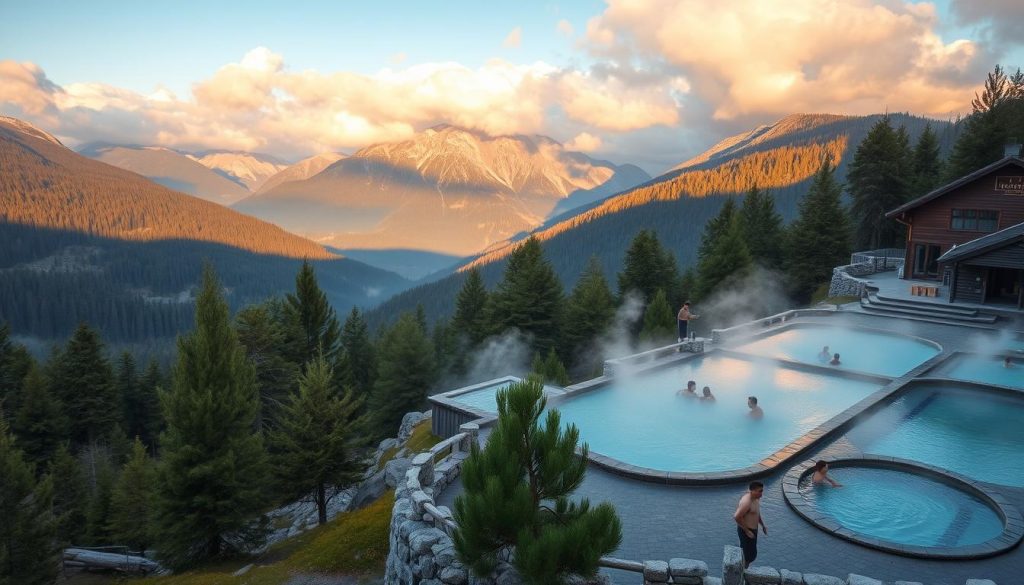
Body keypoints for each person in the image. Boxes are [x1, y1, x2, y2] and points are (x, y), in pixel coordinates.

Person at [734, 481, 767, 568]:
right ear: (752, 491)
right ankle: (742, 571)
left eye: (762, 491)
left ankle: (744, 568)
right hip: (746, 531)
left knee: (751, 553)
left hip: (752, 530)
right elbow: (736, 517)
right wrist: (747, 531)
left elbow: (756, 512)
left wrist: (762, 525)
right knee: (747, 555)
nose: (761, 493)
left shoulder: (755, 498)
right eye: (760, 491)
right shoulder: (746, 502)